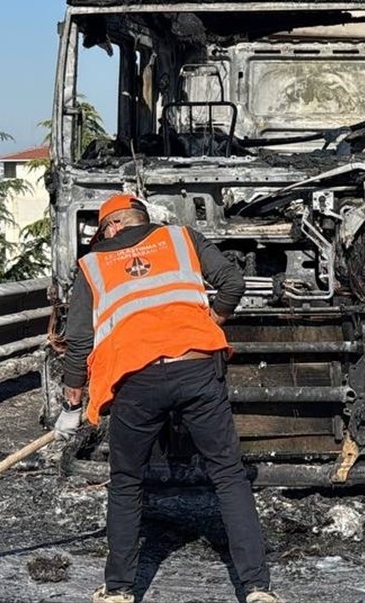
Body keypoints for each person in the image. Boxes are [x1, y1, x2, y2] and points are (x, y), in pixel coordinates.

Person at [54, 194, 281, 603]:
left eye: (104, 231)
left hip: (136, 380)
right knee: (229, 476)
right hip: (196, 370)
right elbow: (233, 282)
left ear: (114, 226)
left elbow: (80, 339)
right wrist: (209, 323)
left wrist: (74, 389)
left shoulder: (92, 265)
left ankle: (120, 591)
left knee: (126, 483)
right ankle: (258, 589)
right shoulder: (182, 238)